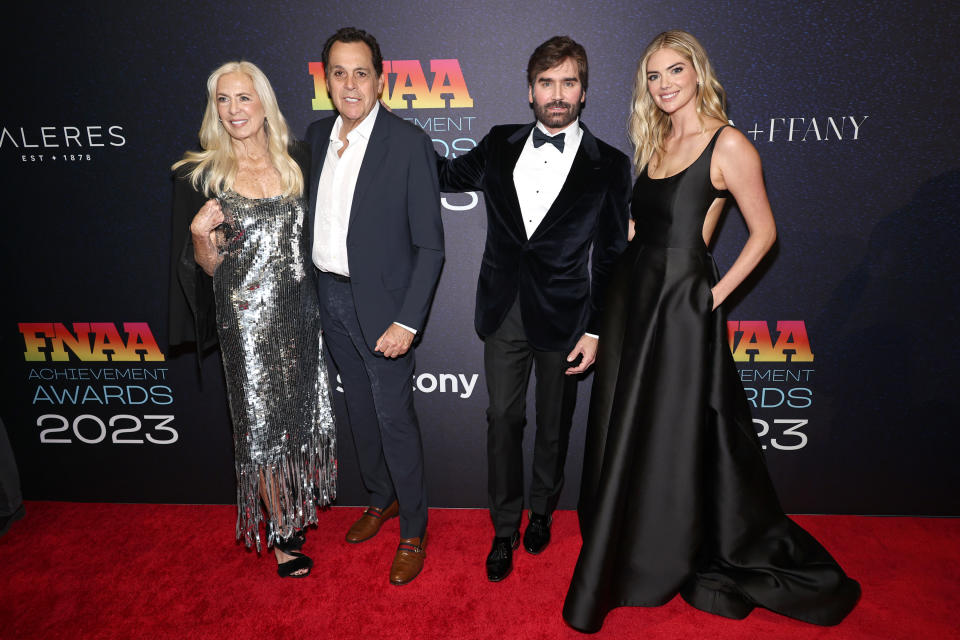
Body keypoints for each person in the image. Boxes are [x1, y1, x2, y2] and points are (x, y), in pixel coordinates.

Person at [562, 30, 860, 631]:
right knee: (630, 424)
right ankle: (626, 534)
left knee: (675, 431)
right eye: (653, 75)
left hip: (680, 305)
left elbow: (764, 233)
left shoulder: (729, 145)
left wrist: (710, 299)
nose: (664, 84)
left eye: (675, 70)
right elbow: (636, 230)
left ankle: (661, 552)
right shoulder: (655, 139)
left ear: (698, 72)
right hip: (632, 302)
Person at [437, 36, 631, 582]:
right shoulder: (498, 143)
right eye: (547, 82)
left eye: (568, 82)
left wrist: (596, 328)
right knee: (503, 419)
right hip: (503, 310)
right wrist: (389, 135)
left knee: (553, 425)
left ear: (584, 93)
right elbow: (445, 176)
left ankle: (542, 512)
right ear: (529, 92)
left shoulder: (610, 166)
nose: (557, 94)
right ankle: (504, 528)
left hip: (568, 316)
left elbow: (613, 255)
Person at [170, 61, 336, 579]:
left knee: (304, 419)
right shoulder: (200, 174)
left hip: (303, 316)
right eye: (223, 100)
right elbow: (207, 270)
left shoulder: (298, 160)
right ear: (213, 109)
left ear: (264, 103)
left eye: (243, 98)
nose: (234, 110)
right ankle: (284, 531)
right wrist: (201, 238)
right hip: (244, 322)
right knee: (261, 426)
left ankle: (296, 502)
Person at [305, 27, 444, 586]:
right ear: (326, 81)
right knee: (357, 411)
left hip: (385, 308)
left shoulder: (408, 142)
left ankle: (414, 527)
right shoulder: (315, 137)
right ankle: (380, 498)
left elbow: (431, 246)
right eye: (338, 73)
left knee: (394, 418)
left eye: (361, 72)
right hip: (328, 295)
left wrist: (407, 320)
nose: (350, 83)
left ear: (381, 79)